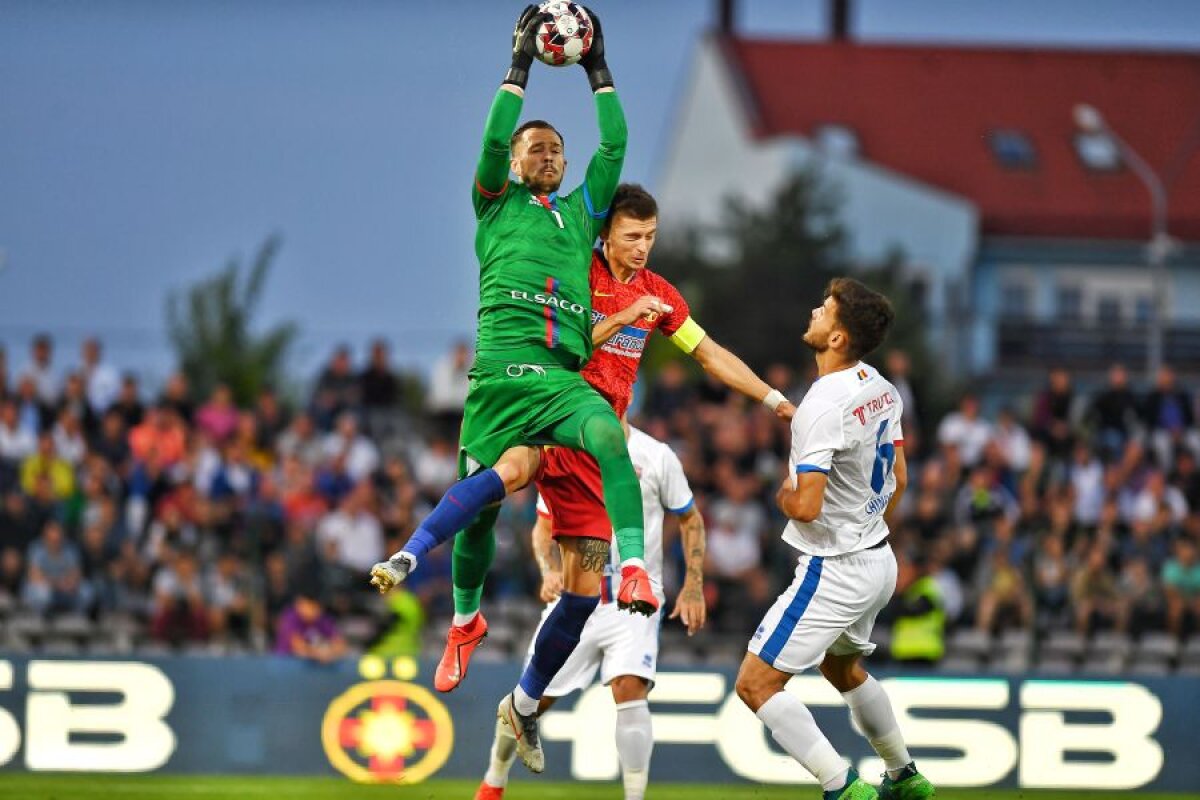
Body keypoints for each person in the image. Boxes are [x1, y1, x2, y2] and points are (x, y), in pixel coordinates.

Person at [373, 181, 793, 708]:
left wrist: (773, 399)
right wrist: (619, 317)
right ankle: (413, 556)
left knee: (580, 595)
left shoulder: (658, 295)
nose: (643, 247)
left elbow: (709, 354)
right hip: (552, 415)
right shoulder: (575, 272)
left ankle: (523, 706)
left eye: (651, 236)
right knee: (501, 476)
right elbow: (561, 345)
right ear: (606, 235)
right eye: (632, 235)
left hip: (594, 452)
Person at [370, 5, 660, 693]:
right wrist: (521, 64)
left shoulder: (581, 213)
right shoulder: (494, 204)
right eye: (536, 147)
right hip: (501, 375)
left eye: (555, 148)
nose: (549, 154)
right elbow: (496, 133)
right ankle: (465, 619)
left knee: (609, 436)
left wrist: (597, 67)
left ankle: (637, 565)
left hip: (560, 378)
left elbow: (614, 147)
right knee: (482, 510)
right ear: (510, 161)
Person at [734, 278, 934, 800]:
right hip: (878, 559)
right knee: (842, 667)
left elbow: (805, 505)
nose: (814, 311)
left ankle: (841, 786)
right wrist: (867, 524)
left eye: (824, 309)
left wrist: (781, 494)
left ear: (839, 338)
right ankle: (904, 776)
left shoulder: (822, 405)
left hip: (836, 567)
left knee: (755, 685)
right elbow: (903, 480)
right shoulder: (881, 387)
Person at [475, 424, 706, 795]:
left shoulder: (656, 455)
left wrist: (693, 585)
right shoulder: (566, 452)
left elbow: (690, 517)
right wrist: (549, 568)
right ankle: (494, 779)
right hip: (577, 596)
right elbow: (543, 527)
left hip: (633, 600)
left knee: (630, 686)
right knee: (529, 701)